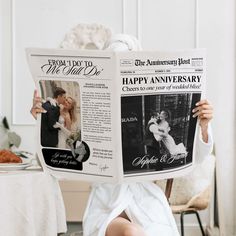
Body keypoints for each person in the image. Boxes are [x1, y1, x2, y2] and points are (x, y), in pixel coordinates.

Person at [30, 34, 214, 236]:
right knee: (131, 233)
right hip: (107, 204)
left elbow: (198, 157)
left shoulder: (155, 124)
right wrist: (42, 124)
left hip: (147, 201)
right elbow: (57, 170)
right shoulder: (87, 117)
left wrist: (204, 127)